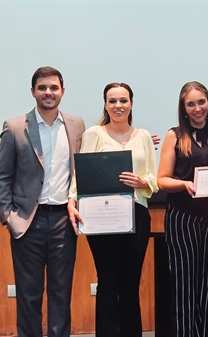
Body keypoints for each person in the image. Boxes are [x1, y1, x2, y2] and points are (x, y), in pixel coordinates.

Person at [0, 66, 86, 337]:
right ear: (33, 91)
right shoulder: (15, 127)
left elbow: (87, 164)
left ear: (63, 92)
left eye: (54, 88)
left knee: (61, 294)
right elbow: (1, 177)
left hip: (63, 221)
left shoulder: (77, 124)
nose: (48, 92)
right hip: (27, 223)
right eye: (42, 87)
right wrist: (10, 218)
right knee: (29, 295)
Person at [68, 82, 158, 337]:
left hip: (136, 213)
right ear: (105, 105)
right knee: (107, 281)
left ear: (131, 103)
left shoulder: (143, 136)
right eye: (112, 101)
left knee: (130, 283)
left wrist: (143, 182)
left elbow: (152, 176)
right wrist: (72, 200)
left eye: (123, 100)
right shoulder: (94, 134)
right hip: (100, 215)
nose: (118, 105)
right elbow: (81, 174)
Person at [157, 81, 208, 337]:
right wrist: (184, 184)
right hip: (184, 217)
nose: (197, 108)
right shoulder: (174, 135)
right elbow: (162, 179)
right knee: (184, 283)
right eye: (190, 104)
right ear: (183, 108)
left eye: (201, 102)